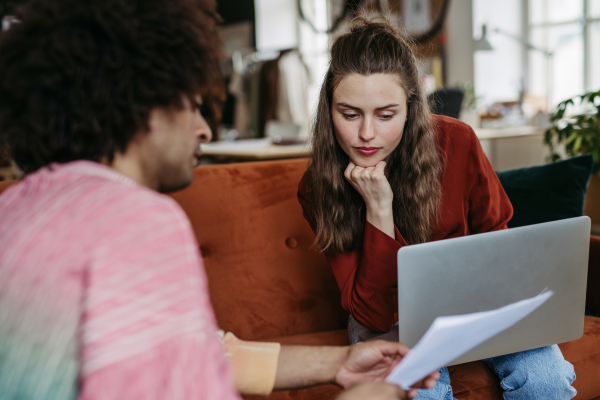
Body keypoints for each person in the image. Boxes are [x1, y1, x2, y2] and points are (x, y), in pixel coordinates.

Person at [0, 1, 441, 399]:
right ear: (145, 106)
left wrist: (340, 364)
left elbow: (202, 352)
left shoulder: (16, 208)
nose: (204, 130)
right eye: (193, 105)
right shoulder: (136, 221)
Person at [297, 15, 577, 400]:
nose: (366, 134)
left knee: (546, 379)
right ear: (329, 111)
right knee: (422, 395)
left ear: (411, 107)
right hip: (388, 319)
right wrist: (379, 212)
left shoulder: (457, 141)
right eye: (349, 114)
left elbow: (499, 242)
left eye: (385, 115)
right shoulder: (317, 186)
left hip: (475, 305)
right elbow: (373, 315)